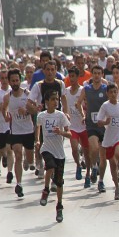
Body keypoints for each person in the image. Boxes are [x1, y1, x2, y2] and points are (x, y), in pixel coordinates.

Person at [36, 90, 71, 222]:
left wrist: (61, 132)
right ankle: (45, 190)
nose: (56, 102)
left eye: (57, 99)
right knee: (49, 167)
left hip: (59, 153)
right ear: (46, 102)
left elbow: (70, 134)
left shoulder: (61, 116)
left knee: (59, 182)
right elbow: (38, 127)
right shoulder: (42, 116)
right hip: (47, 148)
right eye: (53, 99)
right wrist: (38, 140)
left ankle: (59, 206)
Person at [76, 65, 108, 190]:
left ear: (102, 75)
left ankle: (101, 181)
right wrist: (83, 115)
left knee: (103, 156)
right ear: (92, 75)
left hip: (103, 125)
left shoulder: (106, 89)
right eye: (94, 73)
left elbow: (111, 102)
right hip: (91, 124)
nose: (96, 75)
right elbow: (78, 103)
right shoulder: (86, 89)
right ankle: (94, 166)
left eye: (99, 73)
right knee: (94, 148)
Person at [96, 83, 119, 200]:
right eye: (111, 92)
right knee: (112, 165)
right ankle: (117, 187)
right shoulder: (105, 106)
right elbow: (99, 121)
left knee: (118, 153)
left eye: (115, 92)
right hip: (109, 138)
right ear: (107, 94)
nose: (113, 94)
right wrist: (106, 122)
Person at [6, 69, 34, 197]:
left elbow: (35, 110)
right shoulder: (7, 97)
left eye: (17, 80)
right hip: (15, 131)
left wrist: (27, 111)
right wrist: (6, 115)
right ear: (9, 82)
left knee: (29, 158)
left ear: (20, 80)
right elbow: (3, 109)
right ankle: (19, 184)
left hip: (28, 130)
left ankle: (28, 161)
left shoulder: (27, 94)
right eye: (13, 81)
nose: (15, 82)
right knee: (17, 154)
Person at [64, 67, 88, 182]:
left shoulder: (83, 90)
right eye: (70, 76)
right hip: (72, 125)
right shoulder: (66, 91)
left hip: (83, 125)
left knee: (86, 151)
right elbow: (64, 107)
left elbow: (87, 105)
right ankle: (78, 165)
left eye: (74, 76)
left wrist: (85, 113)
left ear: (78, 77)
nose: (72, 78)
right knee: (74, 148)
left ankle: (88, 172)